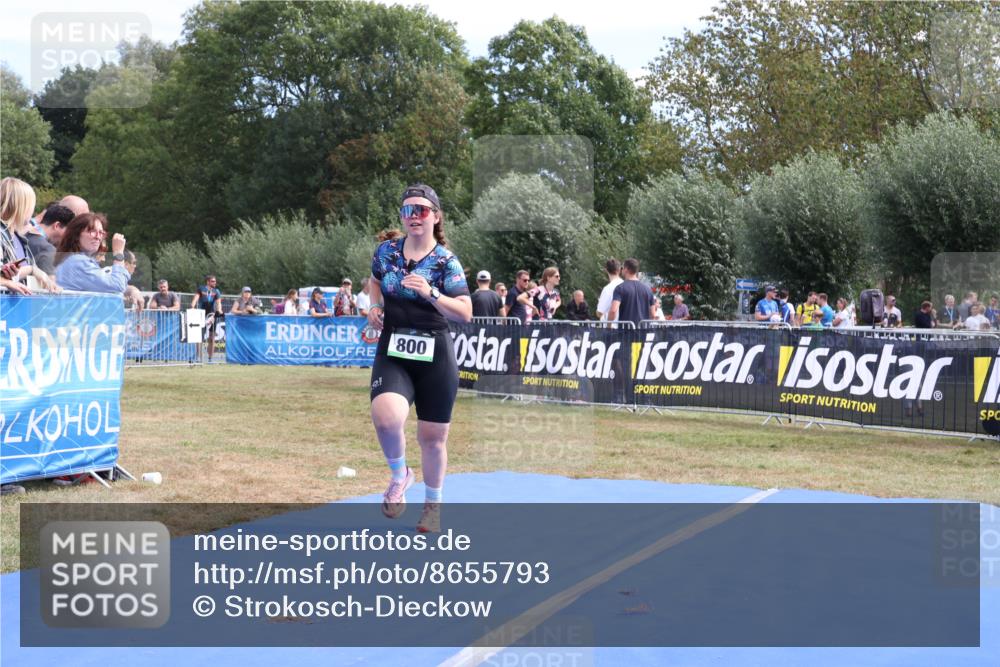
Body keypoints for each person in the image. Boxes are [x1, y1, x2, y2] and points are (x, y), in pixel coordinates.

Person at [367, 183, 472, 534]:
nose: (414, 216)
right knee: (386, 417)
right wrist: (375, 307)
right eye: (407, 210)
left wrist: (431, 292)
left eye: (421, 210)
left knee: (432, 437)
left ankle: (432, 507)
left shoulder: (446, 262)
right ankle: (400, 476)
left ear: (436, 217)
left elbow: (465, 312)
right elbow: (375, 281)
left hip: (435, 352)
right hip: (394, 346)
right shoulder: (386, 252)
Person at [1, 177, 59, 294]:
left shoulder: (19, 238)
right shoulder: (2, 234)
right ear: (20, 207)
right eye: (31, 205)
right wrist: (31, 270)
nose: (32, 212)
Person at [54, 213, 130, 293]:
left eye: (101, 233)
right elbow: (117, 286)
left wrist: (131, 290)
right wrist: (118, 253)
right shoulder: (79, 262)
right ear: (76, 234)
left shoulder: (69, 258)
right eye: (92, 231)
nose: (98, 237)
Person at [26, 204, 73, 274]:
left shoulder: (18, 234)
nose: (68, 237)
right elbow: (49, 283)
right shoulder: (48, 250)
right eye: (68, 232)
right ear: (57, 225)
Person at [608, 258, 656, 326]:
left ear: (626, 269)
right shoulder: (648, 289)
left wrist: (608, 325)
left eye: (622, 267)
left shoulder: (620, 288)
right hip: (643, 332)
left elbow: (613, 311)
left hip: (626, 332)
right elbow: (653, 314)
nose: (621, 270)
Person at [192, 275, 223, 361]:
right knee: (199, 337)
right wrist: (192, 306)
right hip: (201, 315)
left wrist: (219, 310)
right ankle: (198, 357)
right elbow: (195, 298)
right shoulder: (201, 289)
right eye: (212, 281)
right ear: (208, 282)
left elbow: (218, 303)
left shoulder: (216, 291)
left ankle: (210, 358)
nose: (214, 283)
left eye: (215, 281)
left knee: (212, 337)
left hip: (212, 315)